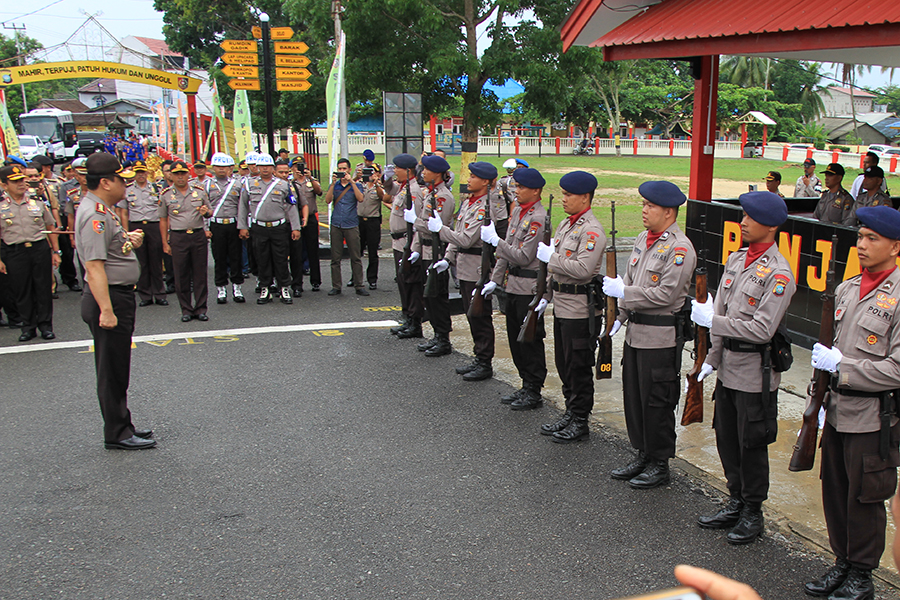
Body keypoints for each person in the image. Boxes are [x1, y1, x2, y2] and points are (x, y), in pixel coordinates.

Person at [805, 205, 900, 600]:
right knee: (836, 490)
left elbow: (896, 368)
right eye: (859, 237)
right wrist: (821, 395)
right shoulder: (846, 288)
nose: (861, 245)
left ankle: (862, 574)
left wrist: (843, 367)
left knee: (865, 497)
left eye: (871, 239)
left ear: (896, 246)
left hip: (873, 415)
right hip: (838, 408)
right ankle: (841, 561)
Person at [690, 191, 796, 544]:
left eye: (750, 218)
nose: (743, 222)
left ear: (770, 225)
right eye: (743, 216)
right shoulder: (737, 261)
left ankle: (753, 511)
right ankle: (735, 499)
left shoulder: (779, 274)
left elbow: (762, 329)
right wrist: (711, 359)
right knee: (727, 439)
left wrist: (713, 324)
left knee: (751, 445)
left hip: (755, 370)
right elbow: (719, 313)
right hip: (729, 367)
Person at [604, 181, 696, 489]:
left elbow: (665, 294)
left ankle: (660, 462)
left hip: (660, 338)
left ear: (668, 212)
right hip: (635, 334)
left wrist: (624, 293)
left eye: (650, 206)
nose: (644, 211)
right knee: (635, 398)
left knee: (657, 402)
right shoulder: (644, 239)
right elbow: (631, 279)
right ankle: (642, 452)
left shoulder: (680, 249)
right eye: (643, 205)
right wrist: (620, 316)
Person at [75, 153, 155, 450]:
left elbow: (106, 250)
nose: (126, 183)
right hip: (108, 298)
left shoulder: (102, 209)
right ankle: (118, 433)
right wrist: (107, 311)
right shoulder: (96, 214)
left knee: (118, 366)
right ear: (106, 182)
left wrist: (127, 240)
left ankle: (123, 424)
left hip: (115, 295)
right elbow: (94, 267)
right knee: (112, 369)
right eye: (122, 179)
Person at [535, 171, 606, 442]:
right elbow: (557, 271)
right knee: (564, 364)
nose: (564, 199)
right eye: (563, 194)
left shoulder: (591, 230)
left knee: (578, 366)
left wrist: (550, 259)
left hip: (580, 310)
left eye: (569, 195)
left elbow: (583, 269)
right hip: (563, 305)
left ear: (585, 198)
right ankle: (570, 411)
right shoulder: (567, 225)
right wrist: (546, 295)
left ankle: (580, 419)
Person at [481, 167, 548, 408]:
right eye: (515, 186)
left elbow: (521, 255)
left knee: (529, 340)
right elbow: (506, 252)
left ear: (536, 190)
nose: (516, 191)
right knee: (515, 340)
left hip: (528, 287)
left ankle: (534, 389)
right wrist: (495, 280)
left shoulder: (538, 218)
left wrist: (495, 241)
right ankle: (525, 384)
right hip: (512, 285)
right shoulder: (519, 211)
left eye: (521, 187)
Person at [430, 162, 498, 380]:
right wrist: (448, 258)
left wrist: (440, 230)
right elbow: (457, 234)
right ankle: (478, 357)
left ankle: (485, 361)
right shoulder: (469, 203)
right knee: (471, 316)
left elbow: (467, 239)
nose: (468, 179)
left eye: (473, 176)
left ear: (485, 181)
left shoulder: (485, 208)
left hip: (477, 268)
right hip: (463, 266)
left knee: (479, 316)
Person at [0, 164, 62, 341]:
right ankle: (28, 327)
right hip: (14, 251)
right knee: (21, 290)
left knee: (42, 289)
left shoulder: (37, 203)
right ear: (4, 185)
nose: (21, 184)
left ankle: (46, 326)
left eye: (21, 180)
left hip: (39, 248)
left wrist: (56, 252)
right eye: (15, 182)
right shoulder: (1, 207)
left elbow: (50, 227)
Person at [238, 154, 301, 304]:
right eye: (262, 166)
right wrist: (242, 226)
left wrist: (296, 227)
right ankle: (265, 288)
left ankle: (284, 288)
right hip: (259, 227)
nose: (265, 169)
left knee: (281, 258)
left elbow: (292, 207)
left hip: (278, 227)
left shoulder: (283, 185)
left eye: (268, 166)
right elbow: (242, 206)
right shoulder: (249, 184)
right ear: (257, 167)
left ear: (273, 168)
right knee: (262, 259)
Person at [413, 154, 456, 355]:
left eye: (426, 169)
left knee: (438, 297)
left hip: (437, 251)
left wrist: (414, 221)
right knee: (429, 296)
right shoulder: (430, 193)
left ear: (437, 173)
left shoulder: (443, 197)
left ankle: (444, 338)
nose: (422, 172)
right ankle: (437, 335)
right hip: (426, 249)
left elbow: (437, 228)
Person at [159, 160, 212, 321]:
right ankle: (186, 310)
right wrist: (164, 242)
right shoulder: (166, 195)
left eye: (183, 174)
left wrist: (206, 212)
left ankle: (201, 308)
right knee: (181, 275)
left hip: (197, 235)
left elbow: (209, 212)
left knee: (200, 274)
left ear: (189, 175)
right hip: (178, 236)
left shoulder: (200, 192)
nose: (180, 177)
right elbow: (162, 219)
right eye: (176, 174)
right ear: (171, 176)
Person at [118, 160, 167, 307]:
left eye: (143, 172)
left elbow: (163, 212)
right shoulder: (127, 190)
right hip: (136, 226)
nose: (140, 175)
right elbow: (124, 213)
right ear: (134, 174)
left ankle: (159, 294)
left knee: (156, 261)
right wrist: (127, 233)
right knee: (141, 262)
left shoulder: (156, 188)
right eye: (138, 172)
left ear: (147, 173)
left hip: (153, 226)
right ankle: (145, 294)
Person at [384, 154, 422, 334]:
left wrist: (414, 246)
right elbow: (389, 190)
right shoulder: (403, 187)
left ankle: (414, 321)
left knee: (410, 282)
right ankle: (407, 317)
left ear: (407, 171)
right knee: (402, 282)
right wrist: (386, 178)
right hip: (398, 242)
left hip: (407, 241)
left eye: (396, 168)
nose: (394, 171)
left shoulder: (413, 191)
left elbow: (417, 222)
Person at [324, 158, 367, 296]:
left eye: (344, 169)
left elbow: (360, 198)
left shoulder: (356, 185)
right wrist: (332, 183)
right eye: (339, 169)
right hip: (336, 223)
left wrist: (352, 181)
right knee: (335, 258)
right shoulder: (335, 185)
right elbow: (328, 200)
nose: (342, 171)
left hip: (351, 223)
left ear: (349, 170)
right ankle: (336, 285)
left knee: (355, 256)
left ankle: (359, 284)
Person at [206, 152, 245, 304]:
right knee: (219, 257)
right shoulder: (207, 185)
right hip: (216, 223)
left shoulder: (237, 184)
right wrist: (205, 228)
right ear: (213, 167)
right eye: (218, 167)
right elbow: (203, 208)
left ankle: (237, 287)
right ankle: (221, 288)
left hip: (233, 223)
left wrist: (242, 226)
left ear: (230, 168)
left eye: (225, 167)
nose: (221, 170)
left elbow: (242, 207)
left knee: (236, 256)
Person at [275, 158, 308, 297]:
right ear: (274, 172)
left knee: (296, 256)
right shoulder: (271, 187)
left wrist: (303, 219)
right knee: (279, 257)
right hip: (278, 225)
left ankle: (297, 285)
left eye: (286, 172)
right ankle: (281, 285)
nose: (284, 175)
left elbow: (303, 203)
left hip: (292, 224)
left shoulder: (293, 186)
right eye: (280, 172)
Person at [289, 158, 322, 292]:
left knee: (313, 249)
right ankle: (297, 282)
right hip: (295, 218)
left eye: (301, 166)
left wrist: (311, 178)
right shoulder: (290, 182)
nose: (299, 169)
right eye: (296, 166)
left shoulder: (310, 180)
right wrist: (293, 178)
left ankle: (315, 281)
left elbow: (319, 192)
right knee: (295, 251)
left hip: (311, 217)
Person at [357, 161, 384, 290]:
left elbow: (383, 197)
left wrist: (376, 183)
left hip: (373, 221)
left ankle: (372, 279)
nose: (369, 174)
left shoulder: (379, 186)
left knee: (372, 252)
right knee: (357, 251)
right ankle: (355, 277)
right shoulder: (360, 185)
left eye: (372, 172)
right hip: (359, 220)